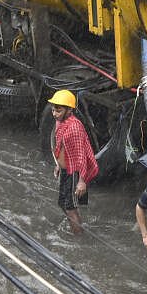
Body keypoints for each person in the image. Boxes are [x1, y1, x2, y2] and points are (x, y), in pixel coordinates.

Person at [48, 90, 98, 235]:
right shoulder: (60, 123)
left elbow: (81, 156)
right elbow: (61, 147)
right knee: (63, 204)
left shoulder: (74, 128)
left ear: (69, 110)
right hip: (65, 170)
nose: (54, 114)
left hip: (74, 172)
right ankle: (77, 225)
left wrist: (82, 181)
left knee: (69, 207)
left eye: (58, 110)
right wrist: (58, 165)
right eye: (53, 110)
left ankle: (79, 238)